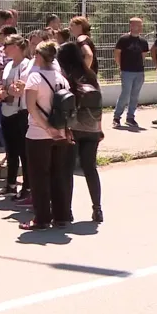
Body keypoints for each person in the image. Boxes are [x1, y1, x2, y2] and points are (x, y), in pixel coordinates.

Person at [21, 41, 72, 230]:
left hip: (38, 134)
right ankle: (61, 217)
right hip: (59, 134)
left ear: (40, 56)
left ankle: (41, 219)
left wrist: (46, 128)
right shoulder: (61, 78)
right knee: (57, 175)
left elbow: (31, 108)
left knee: (39, 177)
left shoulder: (34, 77)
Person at [58, 42, 104, 224]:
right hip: (92, 129)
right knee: (90, 169)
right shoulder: (91, 76)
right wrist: (99, 129)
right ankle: (97, 209)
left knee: (67, 170)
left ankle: (67, 212)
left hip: (74, 130)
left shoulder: (67, 78)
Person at [0, 35, 31, 198]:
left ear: (17, 46)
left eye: (7, 45)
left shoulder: (26, 65)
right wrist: (1, 93)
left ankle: (27, 187)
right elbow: (8, 87)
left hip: (20, 113)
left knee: (23, 153)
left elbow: (19, 90)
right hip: (6, 111)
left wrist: (6, 92)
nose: (4, 48)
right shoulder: (9, 64)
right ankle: (10, 185)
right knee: (10, 152)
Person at [113, 17, 149, 128]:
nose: (139, 28)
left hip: (139, 72)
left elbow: (143, 55)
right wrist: (120, 67)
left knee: (135, 96)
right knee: (125, 94)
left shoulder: (143, 41)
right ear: (131, 26)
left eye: (140, 25)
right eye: (137, 25)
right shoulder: (123, 39)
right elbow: (117, 53)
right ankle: (117, 117)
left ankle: (130, 117)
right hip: (127, 71)